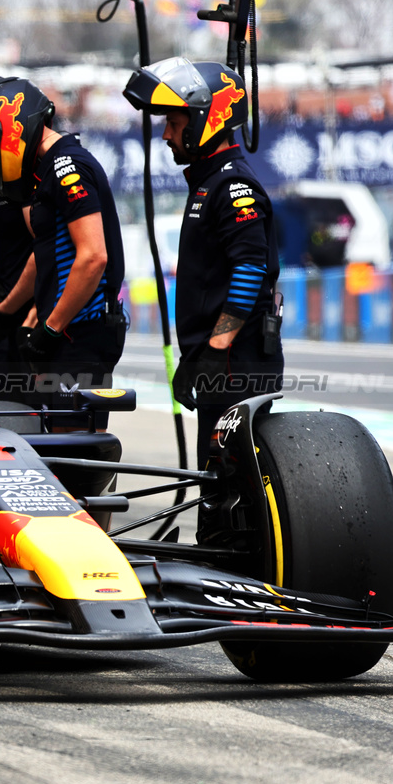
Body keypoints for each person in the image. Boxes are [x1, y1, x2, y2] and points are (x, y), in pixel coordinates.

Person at [124, 57, 283, 473]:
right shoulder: (209, 182)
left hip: (236, 364)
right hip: (218, 362)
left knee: (234, 484)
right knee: (215, 480)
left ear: (204, 121)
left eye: (174, 123)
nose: (165, 134)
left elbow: (250, 270)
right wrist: (195, 359)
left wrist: (214, 351)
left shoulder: (232, 186)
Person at [0, 77, 126, 429]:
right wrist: (14, 314)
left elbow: (93, 256)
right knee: (56, 444)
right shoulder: (49, 168)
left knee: (75, 451)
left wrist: (51, 329)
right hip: (68, 332)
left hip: (81, 332)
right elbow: (47, 252)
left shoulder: (67, 165)